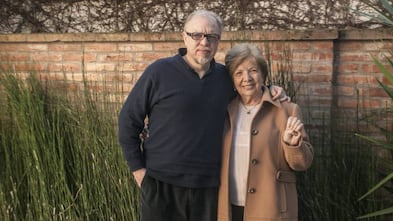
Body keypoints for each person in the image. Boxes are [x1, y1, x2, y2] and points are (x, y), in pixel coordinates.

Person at [118, 10, 287, 221]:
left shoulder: (225, 78)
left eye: (211, 36)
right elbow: (127, 122)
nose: (203, 41)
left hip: (209, 188)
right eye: (196, 35)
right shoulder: (159, 72)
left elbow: (250, 89)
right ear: (184, 37)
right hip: (161, 186)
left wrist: (271, 90)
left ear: (218, 41)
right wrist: (139, 172)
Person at [217, 43, 314, 221]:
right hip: (228, 207)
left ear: (263, 74)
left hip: (272, 209)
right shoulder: (223, 110)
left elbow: (303, 163)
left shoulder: (286, 110)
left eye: (253, 70)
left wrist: (293, 146)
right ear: (231, 79)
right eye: (238, 73)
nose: (247, 78)